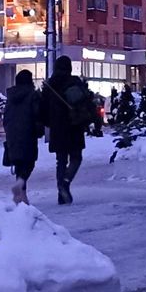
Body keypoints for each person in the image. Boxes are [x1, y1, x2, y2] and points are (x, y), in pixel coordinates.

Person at [40, 55, 93, 205]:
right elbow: (87, 103)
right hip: (74, 126)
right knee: (76, 157)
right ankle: (66, 181)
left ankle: (61, 194)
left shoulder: (50, 85)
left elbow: (43, 109)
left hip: (58, 129)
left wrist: (49, 123)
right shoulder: (75, 82)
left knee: (61, 160)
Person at [3, 69, 42, 204]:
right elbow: (37, 114)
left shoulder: (11, 96)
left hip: (12, 133)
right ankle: (21, 184)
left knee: (19, 163)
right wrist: (39, 130)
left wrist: (8, 131)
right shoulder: (33, 95)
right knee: (29, 162)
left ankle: (21, 196)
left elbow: (6, 116)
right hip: (28, 132)